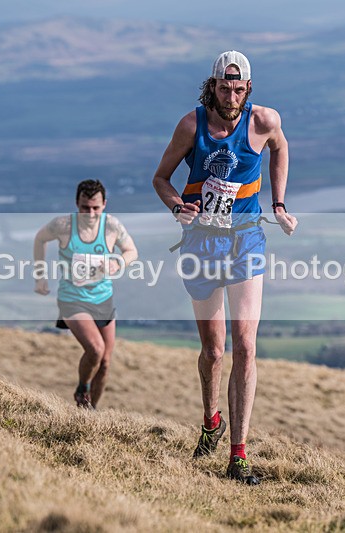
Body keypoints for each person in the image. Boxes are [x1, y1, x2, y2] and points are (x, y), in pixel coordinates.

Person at [152, 50, 297, 484]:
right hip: (201, 245)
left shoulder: (264, 121)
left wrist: (279, 203)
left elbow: (281, 149)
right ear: (211, 86)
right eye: (223, 87)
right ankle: (211, 421)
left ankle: (239, 456)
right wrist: (178, 204)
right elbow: (160, 178)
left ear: (247, 88)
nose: (231, 95)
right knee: (214, 351)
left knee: (245, 347)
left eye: (238, 88)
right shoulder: (192, 126)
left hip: (247, 242)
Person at [33, 179, 138, 410]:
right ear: (76, 204)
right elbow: (40, 238)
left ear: (104, 205)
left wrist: (119, 262)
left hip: (103, 298)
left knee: (105, 363)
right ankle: (82, 387)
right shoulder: (63, 225)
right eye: (84, 207)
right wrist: (40, 275)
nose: (90, 214)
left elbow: (132, 251)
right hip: (72, 299)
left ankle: (90, 412)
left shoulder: (112, 227)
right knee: (96, 350)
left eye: (95, 208)